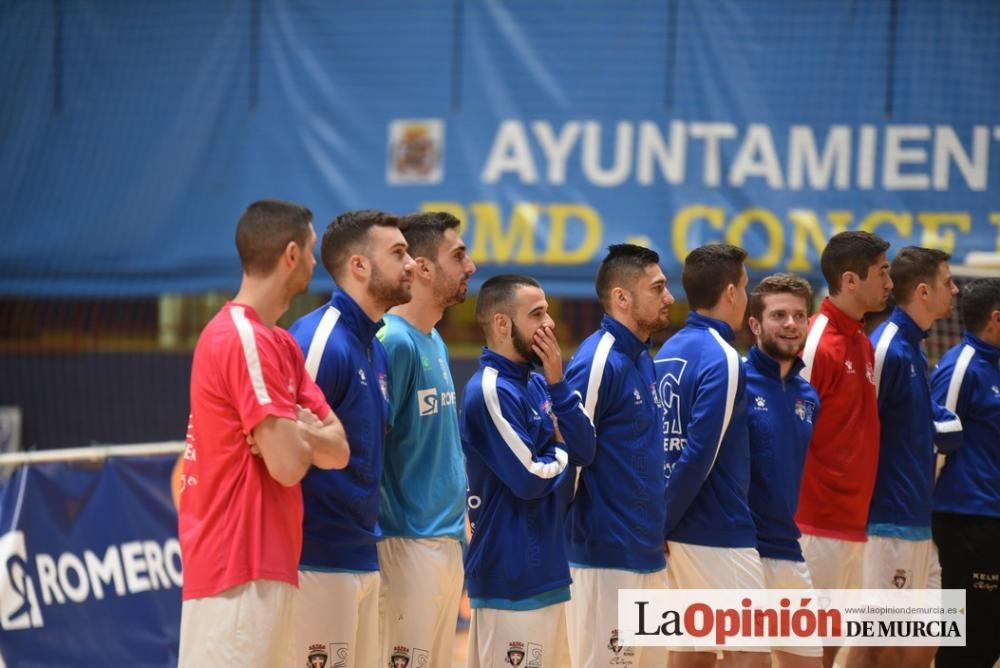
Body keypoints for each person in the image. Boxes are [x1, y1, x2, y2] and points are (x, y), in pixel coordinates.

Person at [177, 200, 349, 666]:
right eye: (312, 251)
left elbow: (340, 450)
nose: (316, 263)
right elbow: (289, 466)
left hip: (265, 570)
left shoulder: (278, 341)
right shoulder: (242, 338)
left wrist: (295, 431)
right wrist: (303, 434)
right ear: (291, 254)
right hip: (237, 573)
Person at [289, 210, 415, 668]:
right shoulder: (320, 341)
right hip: (315, 561)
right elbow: (282, 450)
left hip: (362, 558)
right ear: (359, 266)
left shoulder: (374, 346)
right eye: (398, 253)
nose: (410, 264)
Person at [461, 274, 596, 668]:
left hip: (549, 573)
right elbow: (529, 478)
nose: (549, 324)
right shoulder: (488, 390)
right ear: (503, 324)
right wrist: (559, 447)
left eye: (549, 312)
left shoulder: (539, 385)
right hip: (510, 576)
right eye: (537, 314)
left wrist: (557, 384)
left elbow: (586, 449)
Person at [654, 243, 768, 668]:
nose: (747, 293)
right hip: (716, 529)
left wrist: (661, 522)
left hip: (677, 530)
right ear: (731, 292)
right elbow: (700, 451)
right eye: (745, 285)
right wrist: (661, 524)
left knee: (691, 650)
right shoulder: (725, 358)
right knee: (751, 651)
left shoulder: (666, 351)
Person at [850, 248, 962, 668]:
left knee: (925, 644)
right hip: (886, 523)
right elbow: (860, 432)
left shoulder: (914, 348)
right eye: (948, 281)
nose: (954, 289)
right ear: (923, 290)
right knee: (878, 646)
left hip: (918, 520)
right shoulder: (886, 349)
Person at [563, 244, 673, 668]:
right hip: (604, 558)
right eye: (658, 288)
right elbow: (570, 456)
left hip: (646, 555)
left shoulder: (643, 359)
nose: (668, 297)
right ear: (622, 297)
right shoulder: (598, 360)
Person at [376, 211, 476, 668]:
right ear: (422, 267)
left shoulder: (432, 338)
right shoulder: (392, 342)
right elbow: (371, 450)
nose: (470, 266)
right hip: (405, 546)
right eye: (458, 255)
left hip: (443, 543)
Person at [796, 230, 891, 667]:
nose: (890, 283)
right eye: (883, 273)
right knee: (808, 649)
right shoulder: (817, 341)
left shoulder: (863, 342)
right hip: (815, 523)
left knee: (831, 649)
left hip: (854, 522)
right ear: (851, 280)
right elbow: (790, 428)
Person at [744, 273, 822, 667]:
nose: (791, 324)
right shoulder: (735, 382)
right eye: (779, 315)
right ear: (755, 324)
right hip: (742, 550)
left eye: (799, 315)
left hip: (789, 547)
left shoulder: (808, 394)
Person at [930, 278, 1000, 668]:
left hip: (990, 519)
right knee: (967, 643)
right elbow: (933, 439)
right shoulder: (962, 367)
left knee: (988, 640)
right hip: (966, 520)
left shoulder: (992, 366)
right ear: (996, 319)